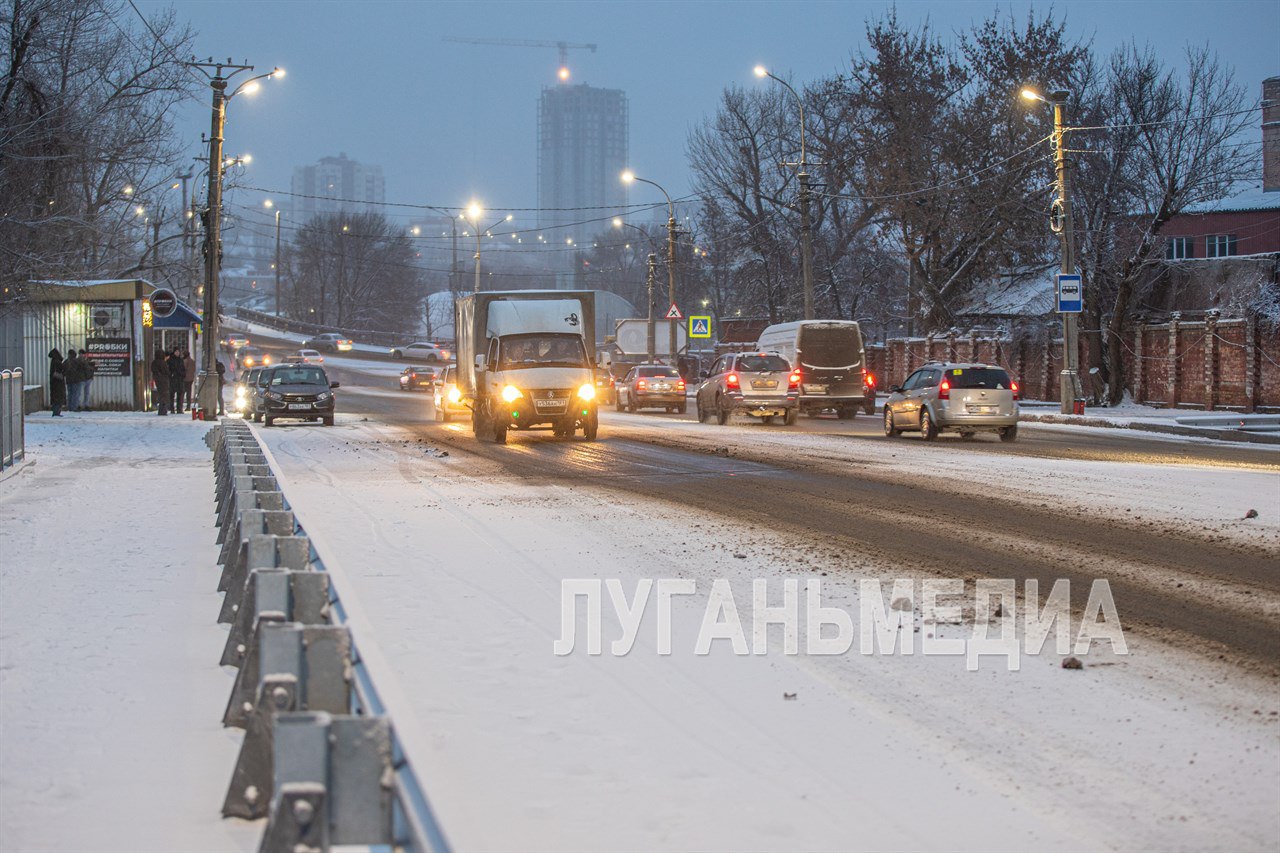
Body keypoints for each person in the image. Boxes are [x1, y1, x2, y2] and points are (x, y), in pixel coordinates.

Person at [150, 349, 170, 415]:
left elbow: (153, 370)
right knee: (165, 395)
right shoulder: (163, 363)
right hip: (164, 381)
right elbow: (167, 372)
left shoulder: (154, 362)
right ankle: (163, 410)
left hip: (157, 381)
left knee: (160, 395)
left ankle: (160, 410)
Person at [48, 348, 66, 416]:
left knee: (56, 398)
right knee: (59, 398)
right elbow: (63, 369)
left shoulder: (53, 361)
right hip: (58, 383)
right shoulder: (57, 361)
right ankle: (57, 412)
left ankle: (56, 412)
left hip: (54, 383)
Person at [167, 347, 185, 413]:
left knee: (180, 394)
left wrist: (183, 374)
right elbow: (168, 369)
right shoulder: (170, 360)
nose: (177, 353)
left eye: (178, 352)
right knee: (172, 394)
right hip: (173, 379)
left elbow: (183, 369)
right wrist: (171, 374)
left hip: (180, 379)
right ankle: (172, 408)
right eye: (176, 352)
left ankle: (179, 409)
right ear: (174, 352)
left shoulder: (181, 360)